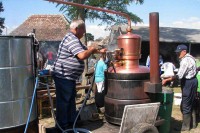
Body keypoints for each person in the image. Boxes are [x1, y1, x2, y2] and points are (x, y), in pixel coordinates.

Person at [52, 19, 106, 132]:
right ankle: (63, 126)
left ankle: (71, 123)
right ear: (77, 29)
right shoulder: (71, 39)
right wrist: (91, 50)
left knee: (70, 100)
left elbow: (86, 49)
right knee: (64, 101)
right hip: (63, 76)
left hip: (68, 77)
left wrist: (99, 51)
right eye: (83, 30)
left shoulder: (75, 39)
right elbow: (82, 55)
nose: (84, 33)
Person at [162, 44, 198, 131]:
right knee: (191, 103)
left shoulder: (185, 60)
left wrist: (167, 80)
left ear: (184, 51)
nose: (178, 54)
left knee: (185, 105)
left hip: (188, 83)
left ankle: (185, 127)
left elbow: (179, 76)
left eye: (179, 53)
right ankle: (192, 124)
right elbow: (194, 70)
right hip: (193, 81)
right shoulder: (192, 58)